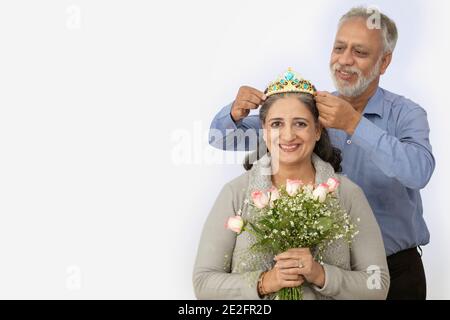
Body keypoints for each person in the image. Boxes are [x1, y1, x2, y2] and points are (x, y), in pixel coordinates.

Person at [208, 7, 435, 300]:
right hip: (326, 274)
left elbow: (419, 172)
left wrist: (354, 125)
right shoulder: (313, 111)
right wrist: (234, 113)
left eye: (360, 52)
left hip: (396, 270)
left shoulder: (407, 114)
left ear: (384, 62)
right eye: (339, 47)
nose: (344, 60)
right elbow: (222, 138)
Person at [193, 69, 389, 300]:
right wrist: (265, 282)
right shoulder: (236, 193)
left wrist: (321, 275)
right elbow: (203, 282)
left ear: (317, 130)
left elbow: (378, 284)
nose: (288, 135)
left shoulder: (347, 193)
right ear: (264, 132)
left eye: (300, 124)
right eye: (276, 124)